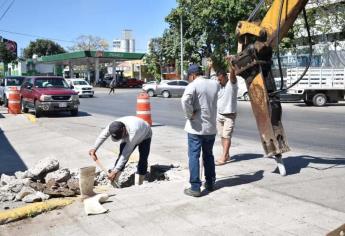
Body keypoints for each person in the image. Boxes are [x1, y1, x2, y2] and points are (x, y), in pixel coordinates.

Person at [181, 64, 220, 197]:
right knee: (208, 156)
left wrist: (189, 114)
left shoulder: (193, 85)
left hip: (196, 129)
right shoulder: (215, 84)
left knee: (194, 156)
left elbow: (185, 100)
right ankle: (210, 183)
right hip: (211, 128)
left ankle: (195, 188)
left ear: (192, 75)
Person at [88, 116, 152, 186]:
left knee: (143, 158)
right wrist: (94, 149)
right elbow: (102, 136)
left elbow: (125, 155)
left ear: (124, 130)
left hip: (145, 134)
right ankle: (114, 181)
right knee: (120, 156)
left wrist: (115, 171)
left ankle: (139, 183)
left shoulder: (132, 134)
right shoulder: (112, 126)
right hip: (131, 131)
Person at [215, 65, 238, 165]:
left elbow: (233, 76)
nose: (219, 82)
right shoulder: (220, 86)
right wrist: (211, 66)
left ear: (226, 77)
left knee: (226, 136)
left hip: (229, 115)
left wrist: (231, 66)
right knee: (222, 136)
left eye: (220, 79)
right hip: (219, 115)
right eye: (218, 80)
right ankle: (226, 154)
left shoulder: (232, 84)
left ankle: (224, 157)